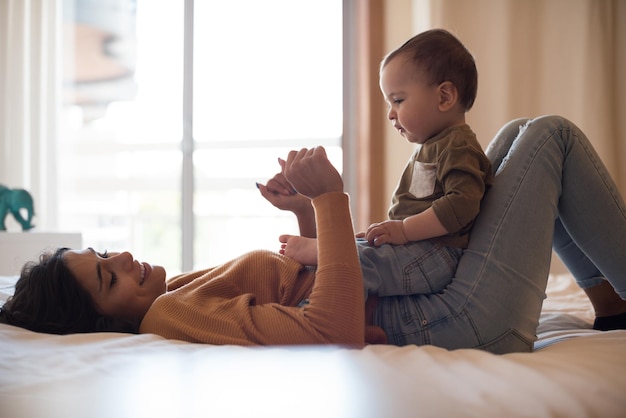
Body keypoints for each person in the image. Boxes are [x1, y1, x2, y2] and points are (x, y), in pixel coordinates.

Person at [1, 116, 626, 352]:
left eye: (106, 253)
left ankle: (609, 300)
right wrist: (330, 200)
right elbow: (331, 328)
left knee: (517, 134)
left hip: (443, 297)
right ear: (105, 322)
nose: (125, 257)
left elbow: (299, 290)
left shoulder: (175, 296)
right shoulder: (170, 319)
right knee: (550, 137)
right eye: (109, 276)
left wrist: (302, 214)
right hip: (463, 317)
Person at [260, 29, 493, 300]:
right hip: (421, 250)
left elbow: (461, 206)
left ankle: (324, 252)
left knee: (365, 261)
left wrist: (403, 230)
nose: (391, 114)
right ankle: (329, 252)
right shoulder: (435, 145)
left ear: (444, 97)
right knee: (363, 247)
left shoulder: (457, 145)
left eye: (399, 100)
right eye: (388, 103)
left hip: (438, 255)